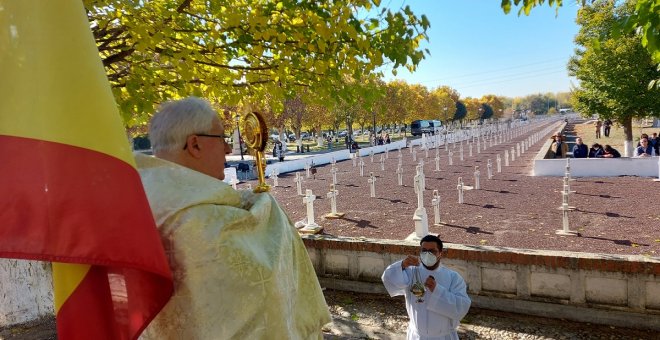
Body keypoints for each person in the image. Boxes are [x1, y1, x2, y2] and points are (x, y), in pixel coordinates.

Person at [136, 97, 330, 339]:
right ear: (194, 144)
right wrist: (269, 213)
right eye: (221, 139)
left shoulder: (139, 202)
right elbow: (260, 278)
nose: (228, 149)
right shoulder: (193, 219)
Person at [381, 234, 471, 340]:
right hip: (417, 335)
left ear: (440, 253)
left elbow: (462, 307)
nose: (427, 254)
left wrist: (437, 290)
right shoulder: (411, 271)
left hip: (443, 336)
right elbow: (388, 278)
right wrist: (402, 265)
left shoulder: (453, 277)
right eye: (424, 250)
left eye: (432, 251)